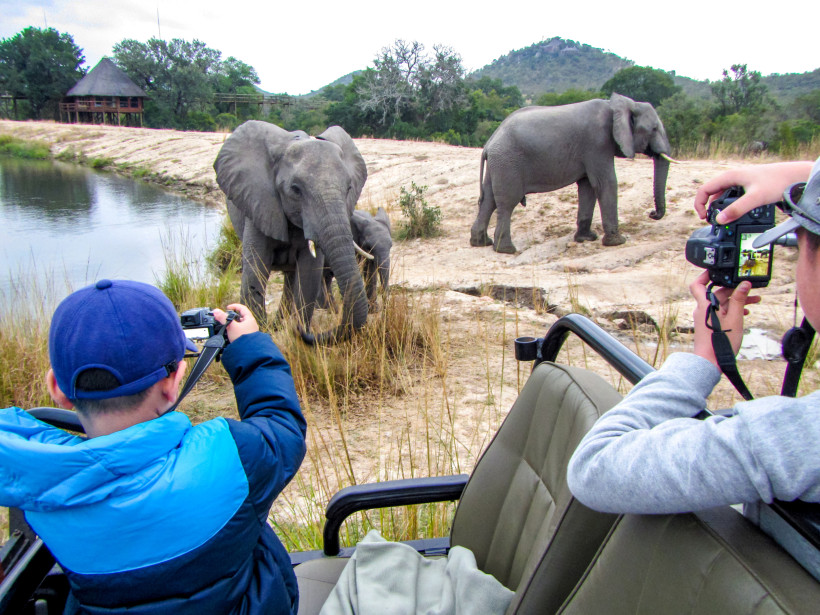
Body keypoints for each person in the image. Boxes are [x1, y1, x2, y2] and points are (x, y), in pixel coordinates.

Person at [0, 280, 307, 614]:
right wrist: (249, 346)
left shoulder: (36, 482)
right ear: (173, 384)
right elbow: (282, 425)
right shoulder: (232, 455)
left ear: (57, 389)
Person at [567, 159, 820, 515]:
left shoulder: (796, 439)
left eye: (797, 240)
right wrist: (802, 177)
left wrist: (702, 361)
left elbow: (595, 468)